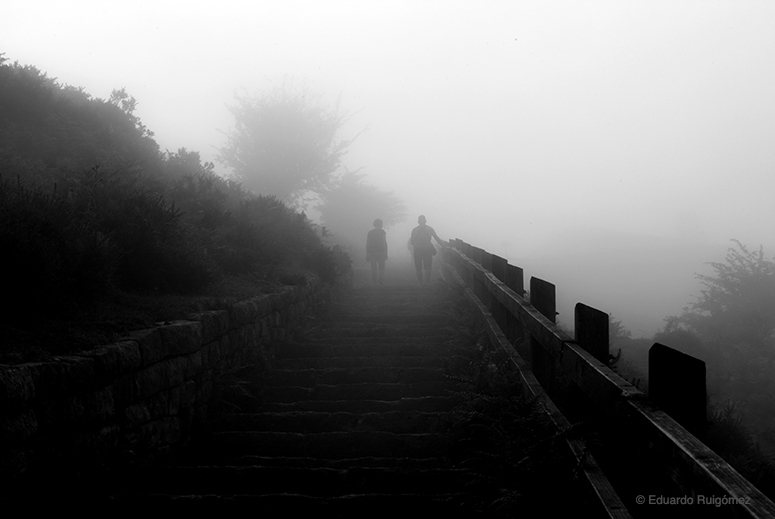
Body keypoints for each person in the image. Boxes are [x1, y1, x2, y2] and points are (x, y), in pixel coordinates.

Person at [409, 215, 447, 285]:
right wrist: (443, 246)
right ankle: (426, 283)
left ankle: (420, 283)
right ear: (425, 221)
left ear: (418, 222)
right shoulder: (430, 229)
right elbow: (436, 238)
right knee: (428, 267)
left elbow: (411, 242)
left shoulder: (414, 230)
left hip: (417, 249)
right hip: (427, 249)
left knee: (418, 267)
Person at [366, 218, 388, 285]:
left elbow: (368, 243)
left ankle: (374, 281)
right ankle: (380, 280)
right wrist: (386, 252)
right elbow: (384, 242)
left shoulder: (370, 232)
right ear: (381, 224)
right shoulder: (382, 232)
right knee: (381, 267)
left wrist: (367, 253)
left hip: (372, 252)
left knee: (373, 267)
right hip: (381, 252)